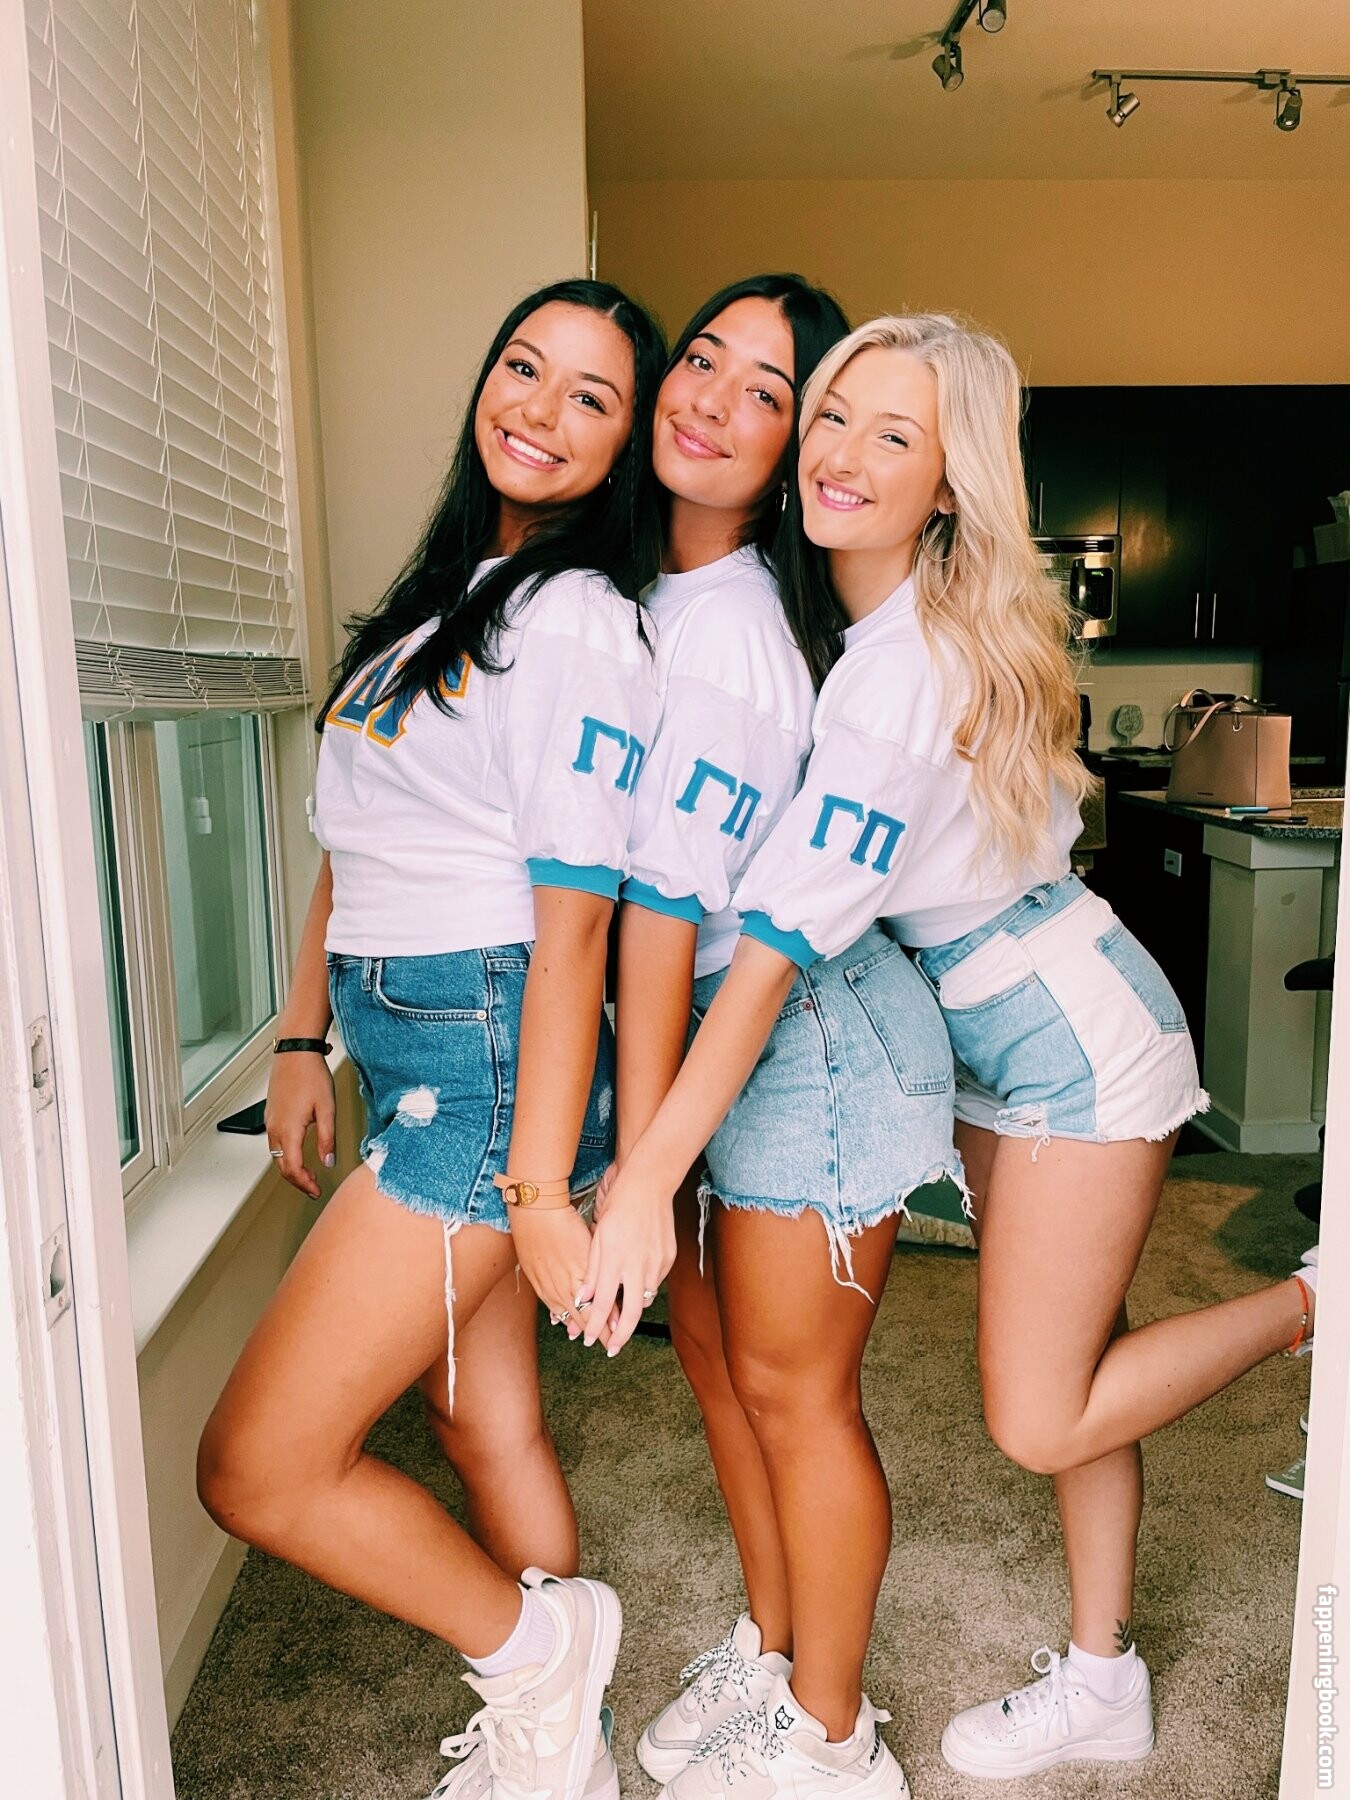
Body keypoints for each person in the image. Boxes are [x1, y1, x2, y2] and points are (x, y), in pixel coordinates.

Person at [606, 309, 1319, 1789]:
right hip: (1001, 1026)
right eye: (832, 416)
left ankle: (1318, 1301)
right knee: (1078, 1363)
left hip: (1070, 1043)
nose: (841, 455)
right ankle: (1105, 1678)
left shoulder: (898, 673)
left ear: (948, 483)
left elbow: (771, 963)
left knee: (1038, 1411)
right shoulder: (871, 630)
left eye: (895, 435)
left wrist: (642, 1175)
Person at [196, 278, 666, 1800]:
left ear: (625, 447)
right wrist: (301, 1037)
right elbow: (356, 836)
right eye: (524, 367)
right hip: (409, 1037)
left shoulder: (577, 621)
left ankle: (539, 1655)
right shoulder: (449, 598)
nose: (541, 409)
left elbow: (576, 926)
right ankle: (563, 1746)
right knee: (485, 1420)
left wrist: (538, 1189)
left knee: (255, 1470)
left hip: (483, 1054)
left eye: (591, 397)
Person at [590, 291, 965, 1792]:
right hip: (720, 1033)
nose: (712, 402)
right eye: (704, 363)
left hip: (802, 1036)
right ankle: (774, 1647)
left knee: (795, 1392)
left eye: (768, 391)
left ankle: (831, 1735)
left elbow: (723, 940)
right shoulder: (655, 595)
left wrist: (634, 1170)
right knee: (722, 1363)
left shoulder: (745, 633)